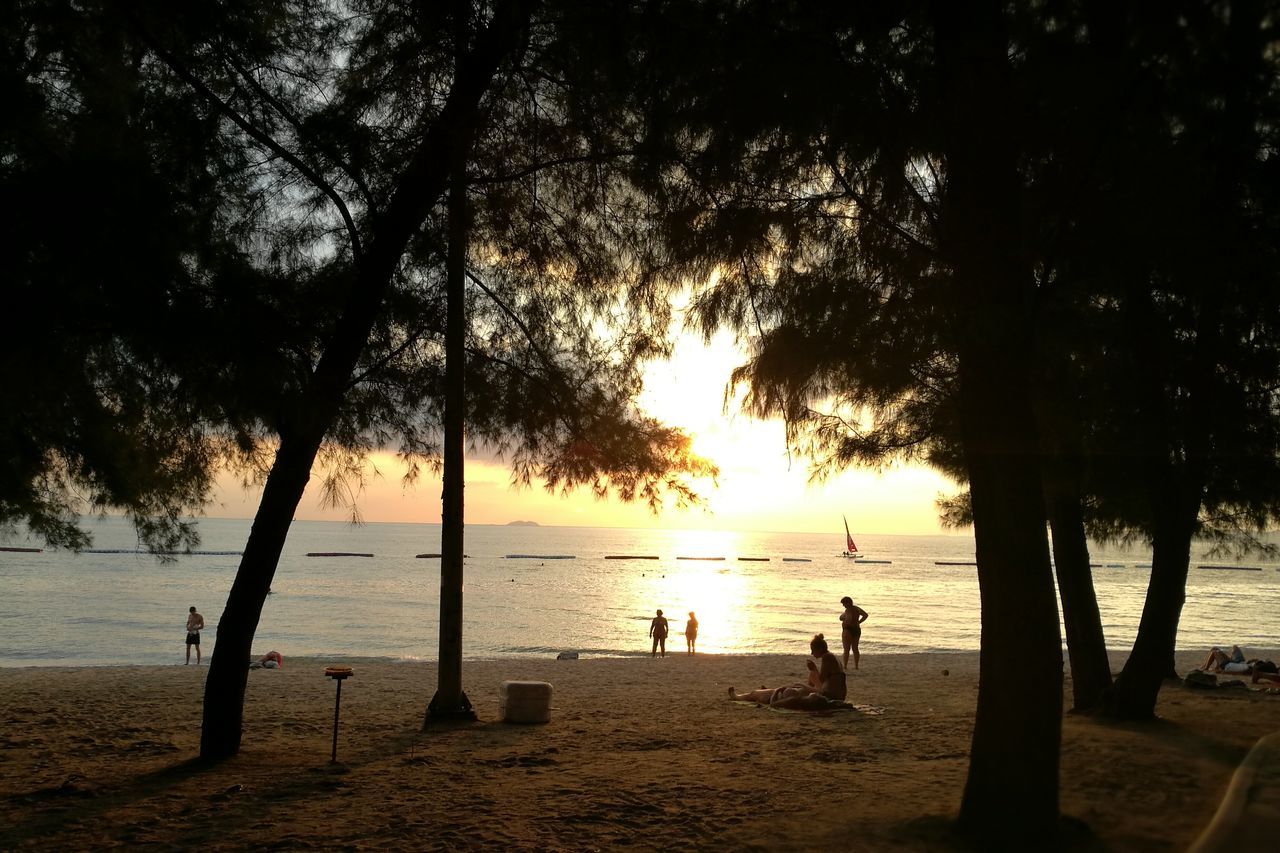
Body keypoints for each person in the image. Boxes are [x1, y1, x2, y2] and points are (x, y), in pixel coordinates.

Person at [728, 633, 849, 710]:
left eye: (813, 650)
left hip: (827, 695)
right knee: (802, 682)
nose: (812, 653)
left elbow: (821, 681)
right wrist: (813, 673)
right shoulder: (833, 657)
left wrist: (814, 669)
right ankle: (766, 691)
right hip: (836, 695)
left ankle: (738, 697)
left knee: (779, 691)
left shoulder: (827, 658)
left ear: (820, 648)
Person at [839, 596, 869, 671]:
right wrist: (859, 622)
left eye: (844, 604)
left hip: (848, 630)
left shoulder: (848, 610)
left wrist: (843, 618)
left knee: (846, 649)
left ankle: (845, 666)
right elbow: (865, 615)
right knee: (855, 648)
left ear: (848, 603)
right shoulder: (857, 608)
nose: (843, 605)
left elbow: (848, 618)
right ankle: (856, 666)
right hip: (857, 629)